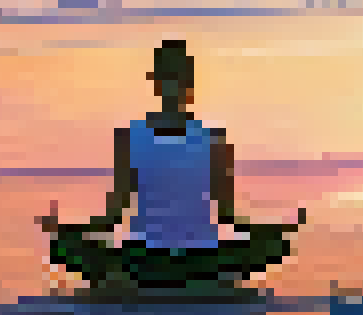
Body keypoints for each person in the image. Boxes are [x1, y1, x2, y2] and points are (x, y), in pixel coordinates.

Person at [37, 40, 304, 298]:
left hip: (188, 258)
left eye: (177, 77)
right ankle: (208, 280)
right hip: (151, 257)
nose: (173, 85)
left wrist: (274, 230)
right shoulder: (132, 138)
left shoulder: (212, 139)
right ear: (158, 83)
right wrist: (65, 231)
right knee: (63, 247)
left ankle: (127, 280)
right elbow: (114, 217)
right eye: (169, 77)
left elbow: (227, 215)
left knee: (274, 245)